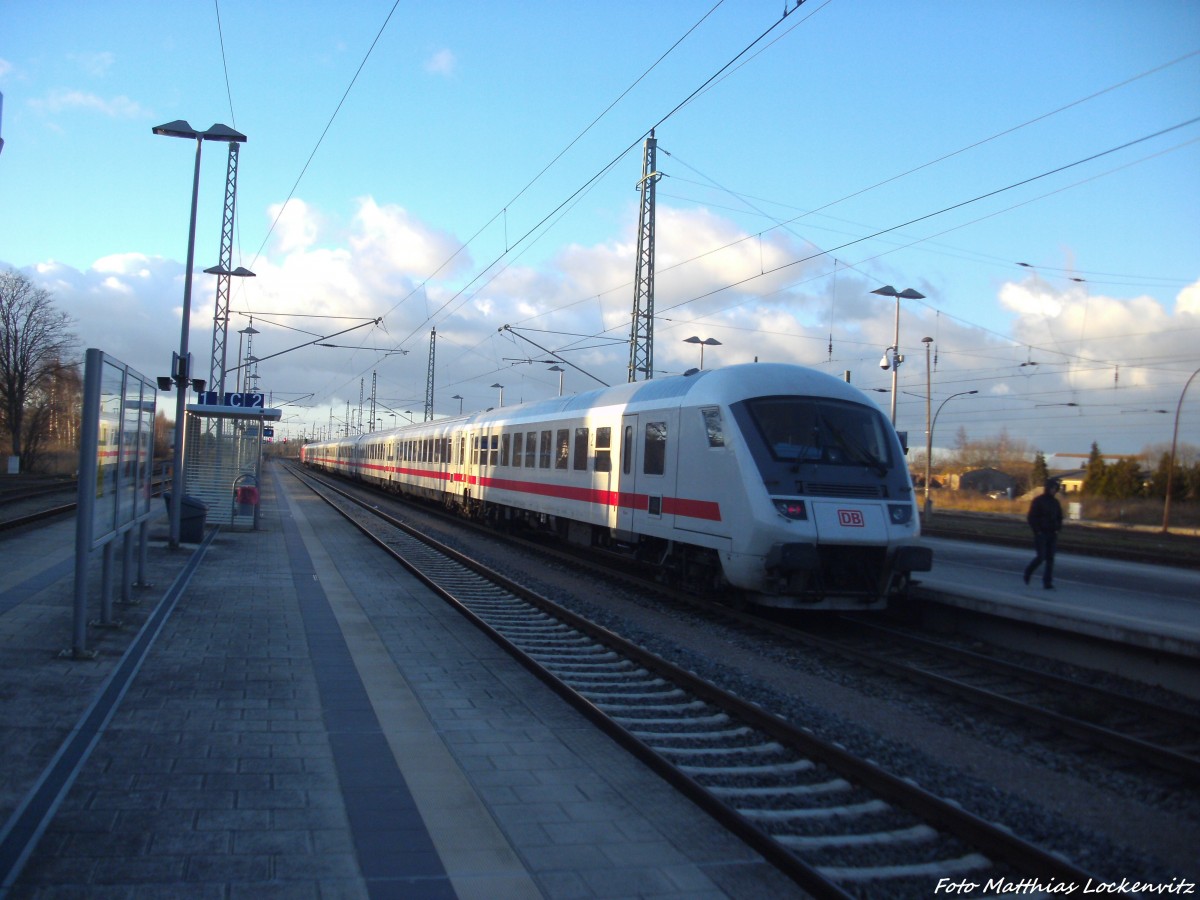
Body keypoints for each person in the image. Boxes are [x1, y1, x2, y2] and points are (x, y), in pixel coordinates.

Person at [1023, 479, 1063, 589]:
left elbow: (1059, 517)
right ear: (1048, 488)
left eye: (1055, 489)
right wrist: (1037, 531)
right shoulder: (1038, 501)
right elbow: (1031, 517)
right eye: (1052, 488)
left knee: (1050, 559)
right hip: (1041, 533)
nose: (1054, 491)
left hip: (1052, 533)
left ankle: (1047, 582)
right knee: (1041, 557)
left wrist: (1058, 528)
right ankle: (1028, 571)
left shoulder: (1055, 503)